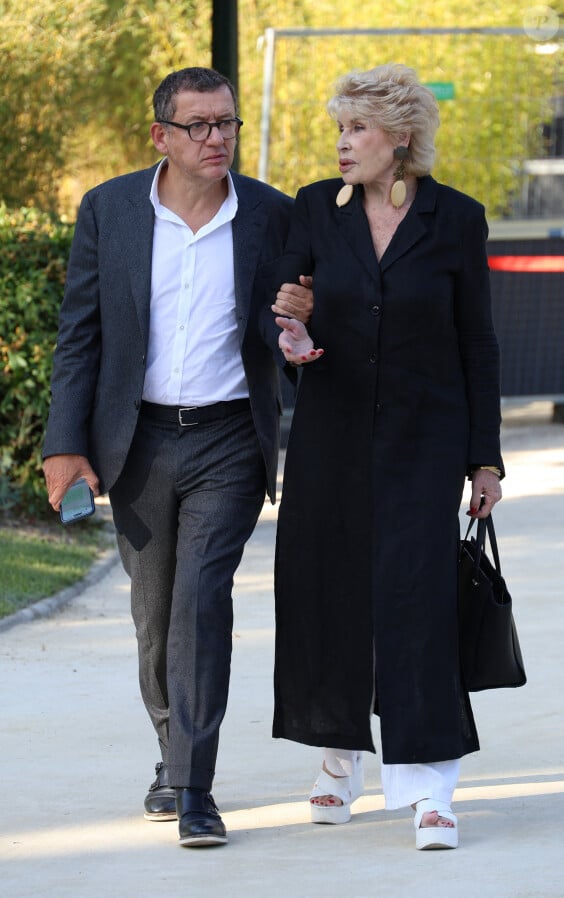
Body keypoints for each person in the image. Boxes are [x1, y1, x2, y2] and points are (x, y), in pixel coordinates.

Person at [42, 67, 310, 848]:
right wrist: (65, 445)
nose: (217, 137)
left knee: (200, 603)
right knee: (155, 617)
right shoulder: (111, 210)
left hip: (229, 437)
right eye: (198, 125)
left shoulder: (270, 214)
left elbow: (277, 330)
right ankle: (171, 750)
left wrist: (293, 337)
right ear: (161, 134)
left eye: (225, 122)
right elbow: (80, 335)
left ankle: (196, 786)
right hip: (138, 441)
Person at [270, 63, 504, 850]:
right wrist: (293, 339)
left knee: (416, 603)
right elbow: (288, 313)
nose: (342, 143)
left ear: (400, 136)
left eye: (357, 129)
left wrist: (485, 459)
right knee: (329, 592)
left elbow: (477, 341)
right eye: (339, 128)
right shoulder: (312, 209)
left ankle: (430, 786)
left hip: (423, 439)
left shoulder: (457, 219)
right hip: (330, 434)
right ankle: (339, 757)